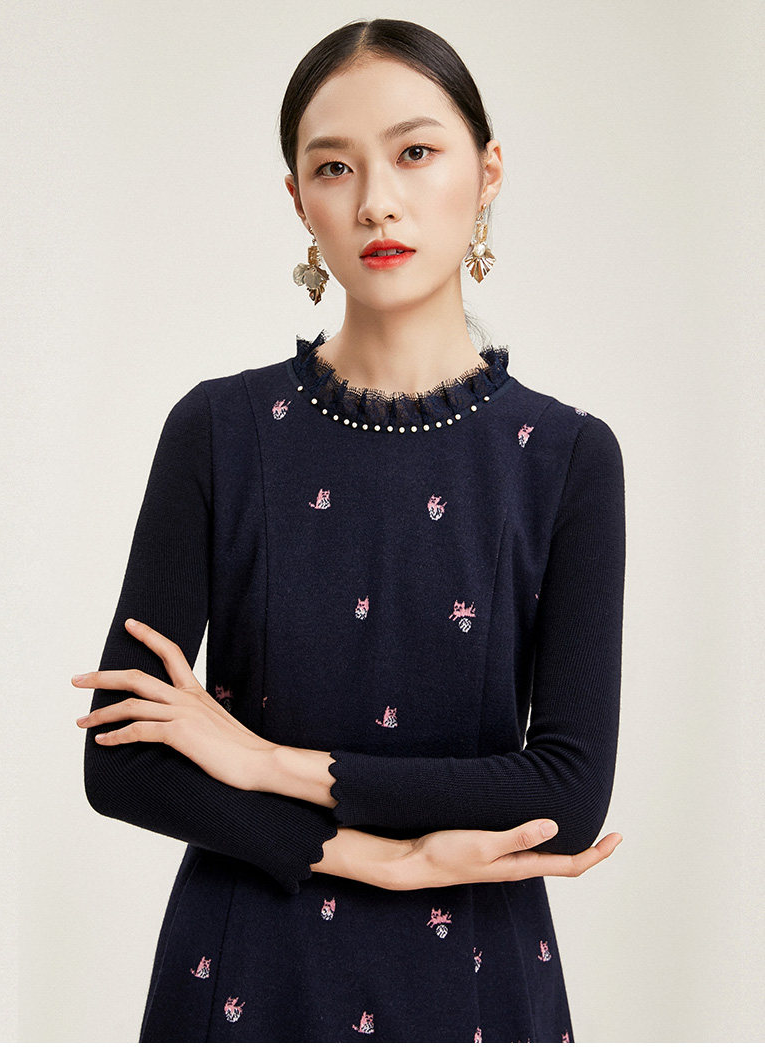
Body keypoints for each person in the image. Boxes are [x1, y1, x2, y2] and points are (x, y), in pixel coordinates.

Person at [74, 18, 625, 1043]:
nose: (376, 199)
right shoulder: (218, 430)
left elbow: (567, 791)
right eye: (334, 166)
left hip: (474, 977)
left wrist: (265, 763)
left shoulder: (566, 456)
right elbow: (124, 757)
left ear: (487, 172)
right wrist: (387, 858)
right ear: (299, 200)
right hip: (245, 965)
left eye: (415, 152)